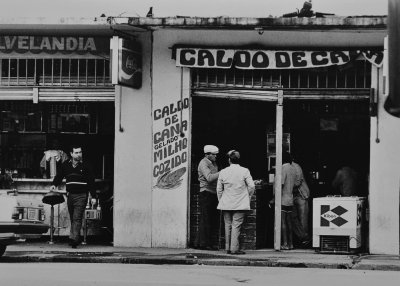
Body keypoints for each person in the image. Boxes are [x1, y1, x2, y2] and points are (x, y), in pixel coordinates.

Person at [50, 144, 96, 248]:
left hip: (82, 195)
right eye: (76, 152)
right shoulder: (66, 165)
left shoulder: (86, 165)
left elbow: (91, 182)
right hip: (70, 195)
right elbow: (60, 175)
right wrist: (54, 184)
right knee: (73, 217)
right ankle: (74, 237)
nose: (79, 154)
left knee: (77, 217)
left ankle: (74, 239)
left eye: (80, 152)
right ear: (71, 154)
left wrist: (93, 196)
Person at [217, 150, 255, 255]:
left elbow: (219, 189)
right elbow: (251, 186)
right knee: (236, 225)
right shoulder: (245, 171)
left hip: (226, 202)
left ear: (229, 160)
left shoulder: (223, 171)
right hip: (240, 202)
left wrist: (221, 199)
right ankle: (234, 249)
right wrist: (247, 196)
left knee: (227, 225)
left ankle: (227, 248)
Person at [270, 152, 297, 250]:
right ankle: (291, 244)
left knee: (282, 222)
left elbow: (280, 185)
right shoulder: (293, 169)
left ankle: (285, 244)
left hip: (282, 199)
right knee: (289, 222)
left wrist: (274, 198)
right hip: (290, 198)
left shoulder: (283, 168)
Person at [196, 144, 220, 250]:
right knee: (206, 219)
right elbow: (209, 178)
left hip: (212, 192)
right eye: (214, 154)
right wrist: (222, 172)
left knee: (208, 219)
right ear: (207, 155)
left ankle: (200, 243)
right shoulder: (203, 163)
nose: (216, 156)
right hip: (206, 193)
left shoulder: (213, 163)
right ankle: (204, 244)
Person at [291, 157, 311, 247]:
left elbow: (298, 181)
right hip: (291, 195)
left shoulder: (296, 166)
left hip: (301, 194)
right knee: (293, 218)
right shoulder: (284, 167)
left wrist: (286, 186)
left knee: (303, 219)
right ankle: (303, 238)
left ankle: (305, 241)